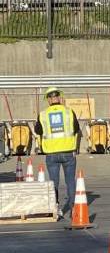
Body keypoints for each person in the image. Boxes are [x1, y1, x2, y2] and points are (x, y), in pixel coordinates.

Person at [34, 87, 81, 218]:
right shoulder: (69, 112)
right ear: (60, 98)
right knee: (70, 181)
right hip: (68, 152)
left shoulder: (43, 114)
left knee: (53, 182)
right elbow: (76, 128)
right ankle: (74, 210)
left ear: (48, 100)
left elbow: (38, 131)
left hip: (51, 154)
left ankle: (55, 209)